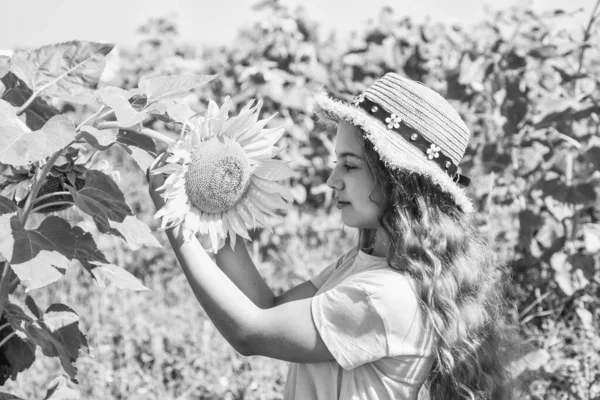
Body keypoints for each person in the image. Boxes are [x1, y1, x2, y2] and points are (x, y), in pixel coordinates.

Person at [148, 73, 522, 399]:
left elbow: (250, 331)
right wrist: (222, 205)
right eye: (335, 162)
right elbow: (267, 306)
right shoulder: (367, 266)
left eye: (351, 165)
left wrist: (176, 226)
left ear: (400, 181)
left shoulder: (385, 296)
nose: (333, 180)